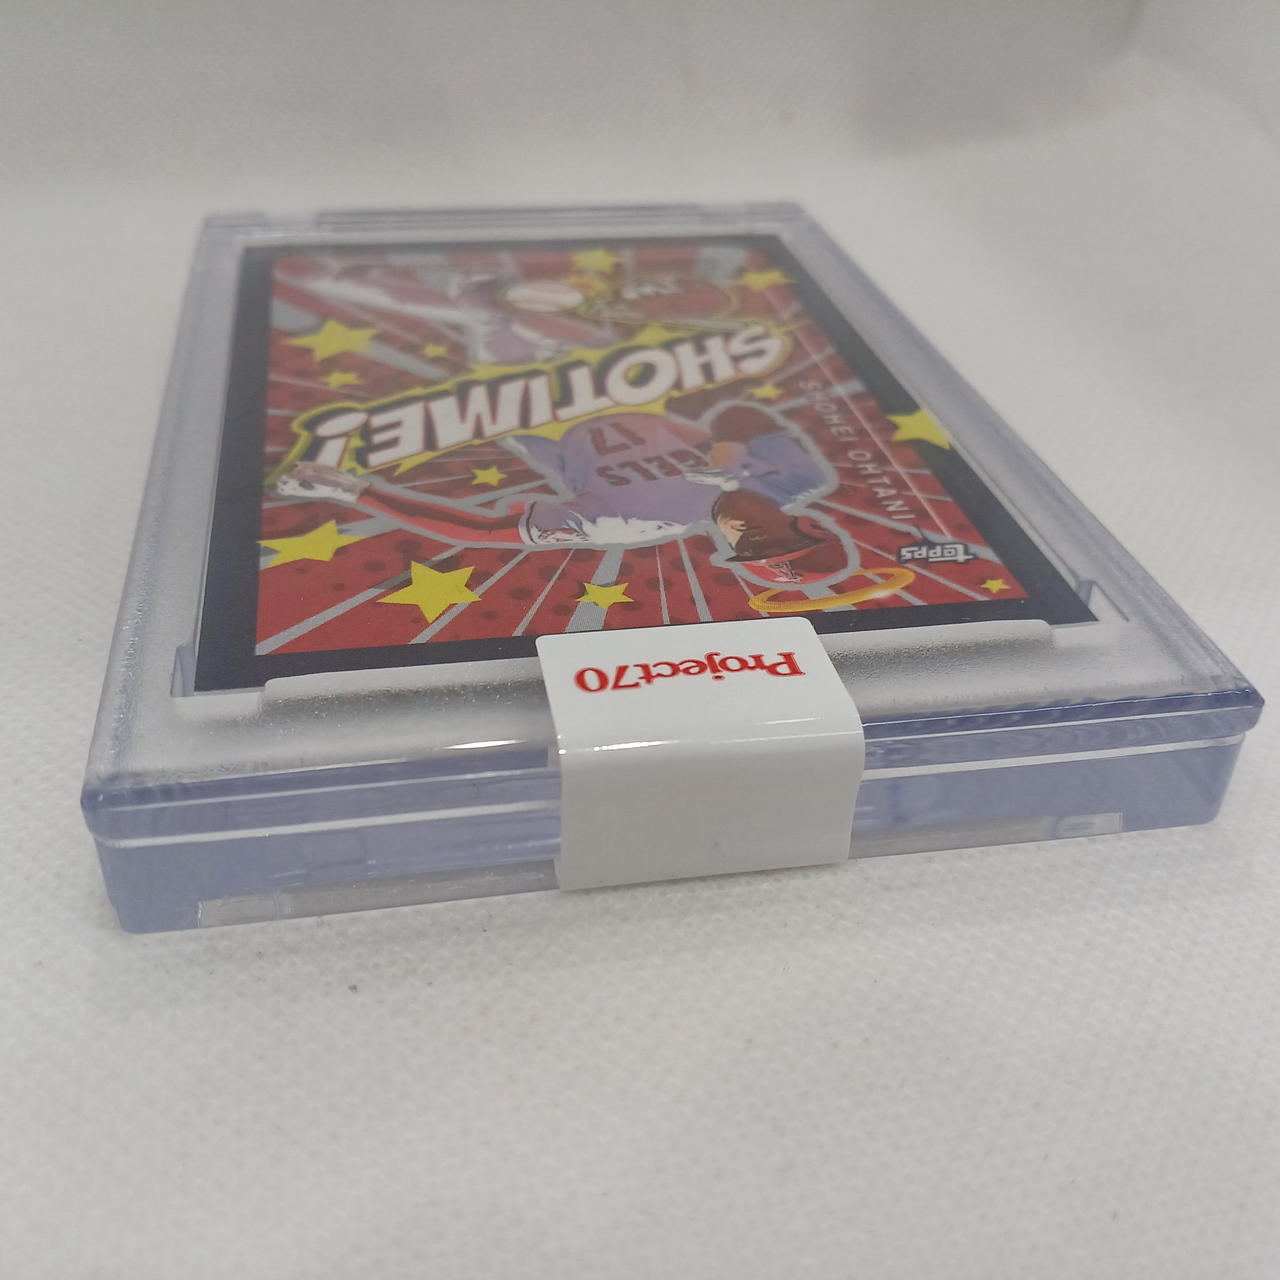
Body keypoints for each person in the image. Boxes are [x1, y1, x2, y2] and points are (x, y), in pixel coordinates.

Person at [276, 402, 854, 586]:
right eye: (775, 542)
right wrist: (729, 445)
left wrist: (357, 492)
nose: (750, 539)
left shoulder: (626, 526)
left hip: (538, 419)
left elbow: (476, 531)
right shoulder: (798, 478)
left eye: (750, 553)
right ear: (808, 525)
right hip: (639, 390)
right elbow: (742, 411)